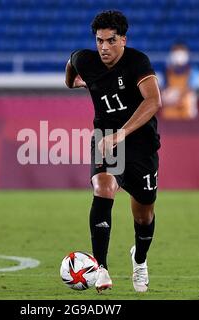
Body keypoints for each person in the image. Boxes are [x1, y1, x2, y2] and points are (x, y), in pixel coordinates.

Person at [65, 10, 162, 293]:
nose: (104, 47)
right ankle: (101, 268)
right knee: (103, 187)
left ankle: (139, 260)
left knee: (144, 214)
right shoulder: (86, 59)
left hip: (141, 144)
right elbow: (71, 61)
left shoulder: (137, 62)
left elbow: (153, 101)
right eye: (99, 40)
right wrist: (72, 82)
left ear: (123, 40)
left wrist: (123, 132)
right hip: (105, 137)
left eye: (110, 40)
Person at [161, 43, 199, 120]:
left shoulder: (193, 70)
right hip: (172, 97)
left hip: (185, 96)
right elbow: (164, 87)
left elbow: (192, 87)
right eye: (176, 51)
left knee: (190, 98)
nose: (179, 55)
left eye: (181, 51)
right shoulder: (167, 70)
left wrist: (181, 95)